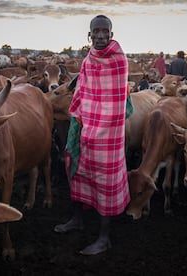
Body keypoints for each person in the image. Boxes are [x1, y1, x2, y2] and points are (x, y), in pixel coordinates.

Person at [54, 14, 131, 256]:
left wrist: (98, 129)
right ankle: (77, 218)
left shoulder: (119, 61)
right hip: (85, 128)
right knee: (78, 170)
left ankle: (104, 237)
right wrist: (82, 123)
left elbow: (115, 102)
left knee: (105, 181)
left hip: (108, 136)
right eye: (95, 32)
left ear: (111, 34)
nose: (99, 36)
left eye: (104, 32)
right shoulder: (88, 60)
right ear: (89, 35)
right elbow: (84, 92)